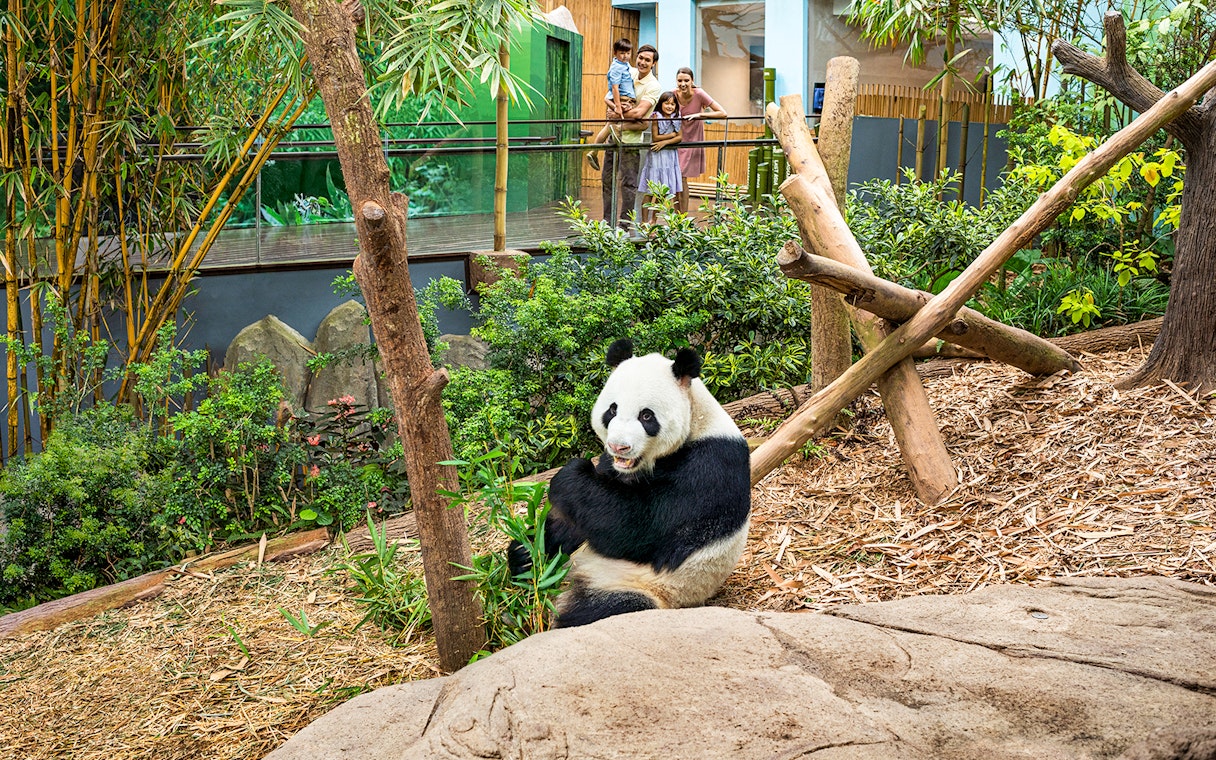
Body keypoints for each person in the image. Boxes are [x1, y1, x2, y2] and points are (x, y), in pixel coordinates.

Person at [601, 44, 660, 230]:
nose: (642, 62)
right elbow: (609, 95)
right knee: (607, 179)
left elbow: (639, 114)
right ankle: (607, 221)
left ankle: (624, 225)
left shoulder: (654, 86)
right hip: (613, 136)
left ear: (654, 64)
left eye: (647, 60)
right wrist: (619, 110)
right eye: (640, 58)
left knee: (628, 183)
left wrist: (618, 114)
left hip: (631, 141)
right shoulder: (627, 71)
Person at [673, 67, 727, 214]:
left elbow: (722, 113)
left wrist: (699, 115)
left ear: (692, 81)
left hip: (692, 139)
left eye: (686, 80)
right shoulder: (672, 95)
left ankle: (682, 216)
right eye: (680, 81)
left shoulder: (699, 94)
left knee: (682, 177)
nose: (683, 84)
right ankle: (677, 215)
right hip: (675, 139)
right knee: (676, 178)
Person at [586, 39, 636, 172]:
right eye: (622, 53)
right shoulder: (617, 67)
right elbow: (614, 88)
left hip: (621, 99)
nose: (625, 56)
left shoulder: (623, 65)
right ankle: (594, 151)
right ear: (615, 53)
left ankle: (594, 152)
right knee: (612, 127)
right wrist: (618, 106)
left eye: (628, 53)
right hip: (623, 99)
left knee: (609, 127)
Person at [636, 91, 682, 224]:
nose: (669, 106)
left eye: (672, 104)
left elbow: (680, 137)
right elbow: (655, 137)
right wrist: (671, 136)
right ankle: (644, 221)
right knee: (651, 190)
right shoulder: (656, 116)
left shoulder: (677, 117)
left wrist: (665, 142)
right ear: (661, 104)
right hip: (657, 156)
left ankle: (654, 220)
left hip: (669, 155)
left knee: (664, 191)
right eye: (666, 103)